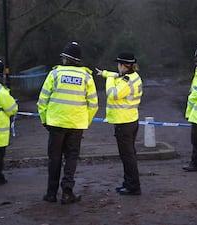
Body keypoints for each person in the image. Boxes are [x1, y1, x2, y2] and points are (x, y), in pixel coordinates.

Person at [37, 42, 98, 204]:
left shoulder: (54, 75)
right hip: (76, 125)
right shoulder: (86, 77)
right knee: (71, 157)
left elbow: (42, 100)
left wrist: (44, 120)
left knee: (54, 158)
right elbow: (93, 104)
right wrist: (85, 121)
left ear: (66, 58)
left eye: (63, 57)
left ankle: (51, 194)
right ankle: (67, 192)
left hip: (56, 124)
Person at [96, 52, 142, 195]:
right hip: (130, 120)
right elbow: (117, 76)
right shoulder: (133, 77)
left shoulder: (126, 82)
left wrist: (108, 78)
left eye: (119, 65)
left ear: (124, 66)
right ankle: (129, 183)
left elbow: (113, 94)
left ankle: (132, 186)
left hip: (124, 122)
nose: (117, 68)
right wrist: (105, 73)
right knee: (129, 155)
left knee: (127, 156)